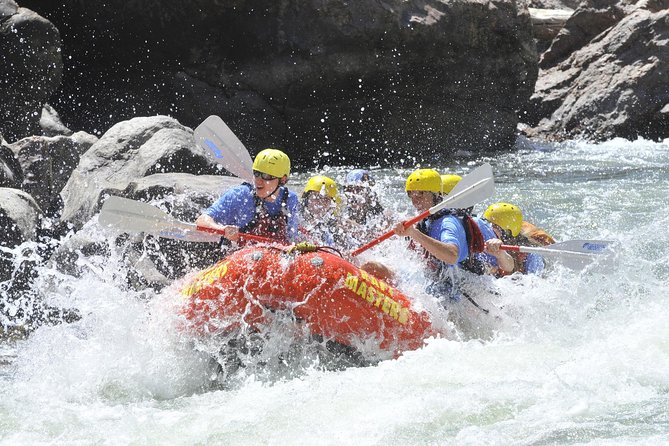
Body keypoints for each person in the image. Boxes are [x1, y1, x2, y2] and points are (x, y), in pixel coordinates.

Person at [392, 169, 493, 302]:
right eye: (411, 195)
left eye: (420, 194)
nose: (415, 201)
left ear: (436, 195)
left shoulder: (447, 222)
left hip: (456, 295)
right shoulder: (426, 220)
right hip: (438, 285)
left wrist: (413, 233)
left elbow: (451, 256)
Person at [195, 148, 299, 244]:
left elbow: (291, 239)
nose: (258, 181)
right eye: (256, 173)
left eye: (266, 176)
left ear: (283, 180)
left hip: (273, 257)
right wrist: (222, 229)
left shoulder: (290, 199)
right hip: (238, 257)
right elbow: (202, 220)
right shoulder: (239, 195)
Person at [482, 202, 555, 275]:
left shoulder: (531, 255)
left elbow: (536, 282)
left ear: (507, 233)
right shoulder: (484, 241)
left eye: (494, 227)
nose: (488, 230)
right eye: (486, 224)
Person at [299, 175, 343, 246]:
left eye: (326, 199)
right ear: (306, 198)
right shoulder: (294, 217)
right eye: (316, 197)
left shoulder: (332, 229)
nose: (320, 203)